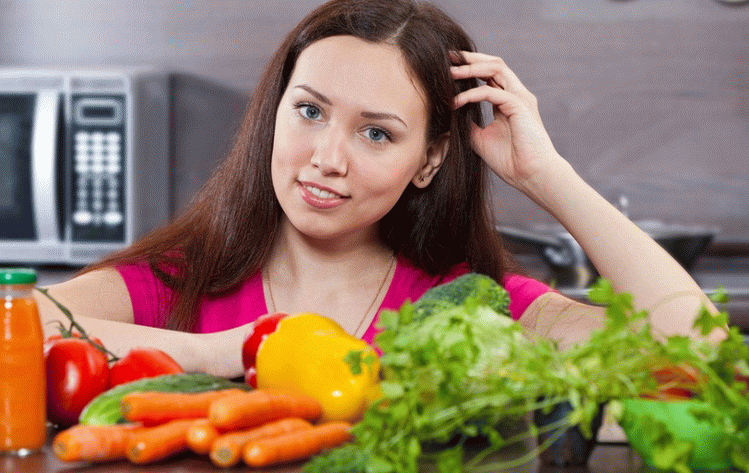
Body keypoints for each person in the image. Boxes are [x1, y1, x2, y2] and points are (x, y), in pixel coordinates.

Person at [36, 0, 722, 379]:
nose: (326, 158)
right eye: (308, 111)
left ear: (427, 162)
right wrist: (227, 351)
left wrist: (547, 176)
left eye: (376, 134)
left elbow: (700, 348)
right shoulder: (177, 284)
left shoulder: (472, 310)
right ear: (272, 114)